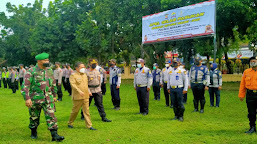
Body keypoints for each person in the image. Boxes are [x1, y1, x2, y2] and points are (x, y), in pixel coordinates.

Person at [21, 52, 64, 141]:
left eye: (48, 59)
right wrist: (27, 98)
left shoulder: (49, 70)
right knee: (34, 117)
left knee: (51, 115)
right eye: (45, 60)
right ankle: (33, 131)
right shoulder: (31, 71)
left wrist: (54, 95)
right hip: (35, 99)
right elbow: (25, 86)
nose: (47, 61)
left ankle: (54, 135)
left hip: (48, 98)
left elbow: (53, 84)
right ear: (39, 61)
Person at [68, 62, 96, 130]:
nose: (83, 68)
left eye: (84, 67)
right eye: (81, 67)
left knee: (86, 111)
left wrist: (89, 92)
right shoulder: (73, 76)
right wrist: (79, 91)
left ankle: (89, 125)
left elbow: (86, 85)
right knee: (75, 111)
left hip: (86, 96)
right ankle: (70, 122)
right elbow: (73, 85)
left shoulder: (85, 75)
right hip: (77, 97)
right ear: (77, 68)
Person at [239, 56, 257, 134]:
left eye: (254, 61)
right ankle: (252, 127)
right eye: (251, 61)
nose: (253, 62)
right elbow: (242, 84)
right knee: (251, 112)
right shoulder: (246, 72)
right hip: (250, 94)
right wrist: (241, 95)